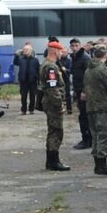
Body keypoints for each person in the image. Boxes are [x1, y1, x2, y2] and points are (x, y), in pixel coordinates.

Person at [82, 45, 107, 176]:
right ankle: (102, 165)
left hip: (90, 106)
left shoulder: (88, 70)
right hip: (102, 105)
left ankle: (98, 164)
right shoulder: (102, 69)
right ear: (105, 56)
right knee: (104, 135)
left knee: (95, 136)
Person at [40, 41, 70, 171]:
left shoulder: (49, 65)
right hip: (53, 104)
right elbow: (53, 89)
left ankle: (52, 160)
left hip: (51, 103)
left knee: (54, 130)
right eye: (60, 51)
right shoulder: (51, 67)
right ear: (55, 51)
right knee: (56, 131)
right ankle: (53, 161)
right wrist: (59, 105)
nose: (61, 54)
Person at [70, 39, 93, 148]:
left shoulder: (85, 57)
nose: (74, 48)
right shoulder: (74, 58)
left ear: (80, 46)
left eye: (76, 45)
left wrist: (84, 91)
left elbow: (89, 76)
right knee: (82, 116)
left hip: (85, 91)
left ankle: (87, 140)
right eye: (72, 46)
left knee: (85, 116)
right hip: (78, 89)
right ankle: (86, 138)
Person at [17, 45, 39, 113]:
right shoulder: (21, 59)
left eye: (27, 50)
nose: (25, 51)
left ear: (31, 51)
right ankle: (23, 110)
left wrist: (39, 79)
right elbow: (15, 62)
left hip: (32, 81)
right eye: (24, 50)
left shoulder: (35, 60)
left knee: (32, 96)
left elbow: (38, 69)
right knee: (23, 96)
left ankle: (31, 109)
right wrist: (16, 55)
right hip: (23, 81)